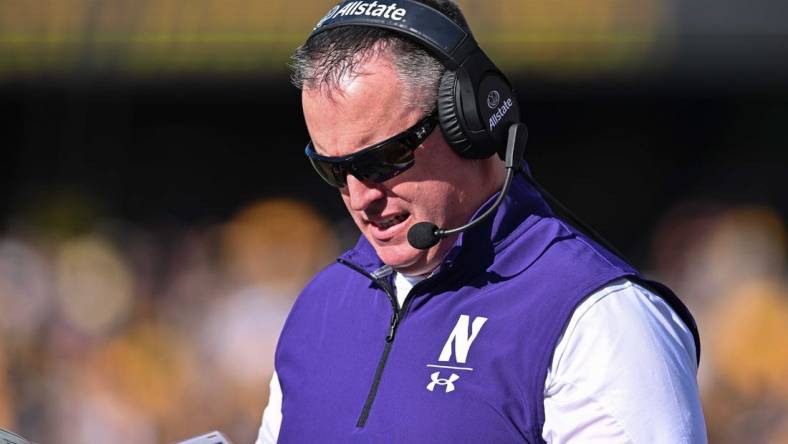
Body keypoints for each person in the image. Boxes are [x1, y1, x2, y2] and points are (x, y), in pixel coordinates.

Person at [257, 0, 707, 442]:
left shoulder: (600, 320)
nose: (360, 196)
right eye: (334, 169)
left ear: (468, 123)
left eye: (383, 159)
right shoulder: (320, 306)